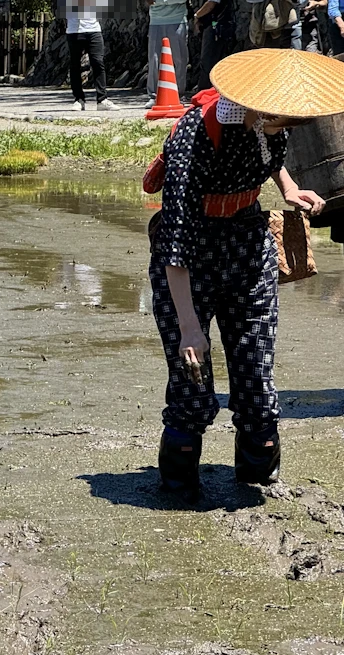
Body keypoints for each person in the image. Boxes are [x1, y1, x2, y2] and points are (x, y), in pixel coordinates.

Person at [146, 50, 344, 502]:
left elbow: (268, 154)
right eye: (285, 121)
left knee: (256, 375)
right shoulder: (195, 136)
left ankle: (258, 472)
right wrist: (190, 328)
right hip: (190, 258)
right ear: (258, 107)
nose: (290, 128)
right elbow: (175, 242)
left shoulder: (269, 125)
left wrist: (291, 190)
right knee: (192, 381)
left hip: (248, 246)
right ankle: (178, 484)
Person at [65, 0, 120, 111]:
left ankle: (102, 99)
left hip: (94, 30)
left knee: (98, 62)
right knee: (75, 64)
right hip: (74, 30)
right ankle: (79, 99)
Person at [146, 0, 190, 108]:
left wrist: (162, 1)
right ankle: (154, 96)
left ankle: (179, 94)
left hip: (178, 20)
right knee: (154, 60)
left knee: (179, 59)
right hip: (156, 20)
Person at [195, 0, 236, 89]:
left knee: (208, 61)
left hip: (216, 27)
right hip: (213, 25)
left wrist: (197, 16)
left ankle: (204, 91)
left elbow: (211, 4)